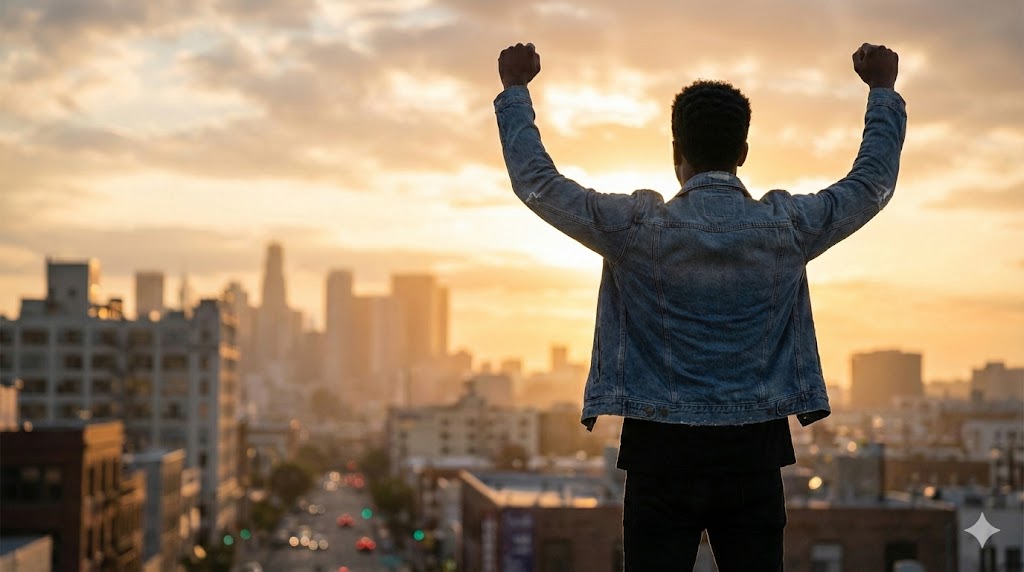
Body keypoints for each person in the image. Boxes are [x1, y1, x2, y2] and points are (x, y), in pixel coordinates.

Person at [495, 41, 905, 570]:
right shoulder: (787, 227)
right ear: (742, 153)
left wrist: (515, 91)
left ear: (676, 152)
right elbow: (870, 184)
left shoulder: (635, 229)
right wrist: (882, 92)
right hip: (755, 456)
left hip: (658, 457)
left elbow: (538, 183)